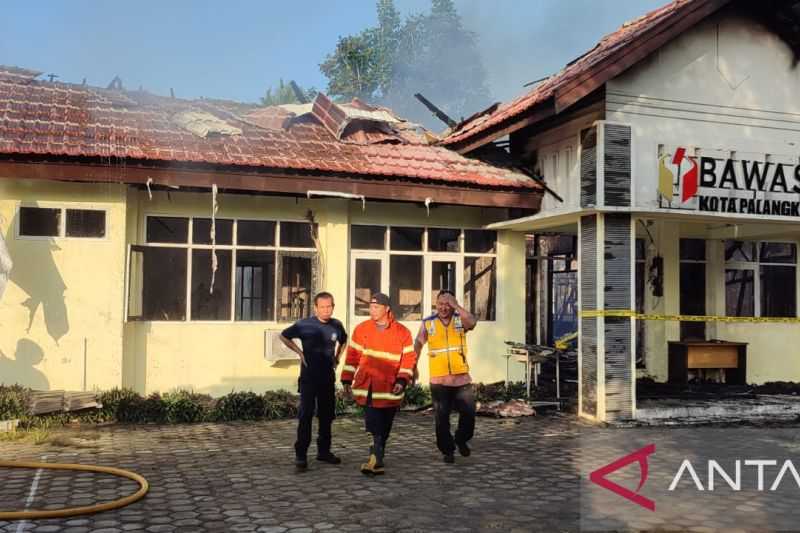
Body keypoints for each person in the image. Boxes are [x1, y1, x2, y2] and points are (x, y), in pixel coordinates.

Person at [341, 293, 416, 475]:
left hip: (390, 388)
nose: (371, 310)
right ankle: (375, 459)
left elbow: (408, 360)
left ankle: (378, 456)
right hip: (368, 387)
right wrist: (346, 380)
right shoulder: (362, 329)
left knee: (385, 426)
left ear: (386, 309)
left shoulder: (402, 332)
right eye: (370, 307)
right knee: (372, 423)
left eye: (376, 307)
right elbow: (352, 356)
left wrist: (402, 380)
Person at [280, 291, 347, 472]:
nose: (326, 310)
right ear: (316, 307)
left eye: (329, 306)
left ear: (333, 306)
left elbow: (344, 340)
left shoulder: (336, 325)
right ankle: (301, 455)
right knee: (306, 416)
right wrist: (300, 353)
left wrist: (337, 357)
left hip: (327, 379)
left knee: (326, 416)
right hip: (309, 379)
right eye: (323, 307)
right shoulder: (304, 325)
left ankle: (323, 452)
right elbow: (284, 336)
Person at [414, 290, 477, 464]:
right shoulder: (428, 323)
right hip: (439, 380)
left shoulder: (459, 319)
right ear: (436, 305)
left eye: (447, 304)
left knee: (469, 413)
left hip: (461, 379)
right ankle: (447, 450)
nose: (443, 307)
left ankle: (461, 439)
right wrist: (413, 365)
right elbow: (418, 343)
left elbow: (472, 322)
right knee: (441, 419)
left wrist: (457, 305)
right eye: (440, 304)